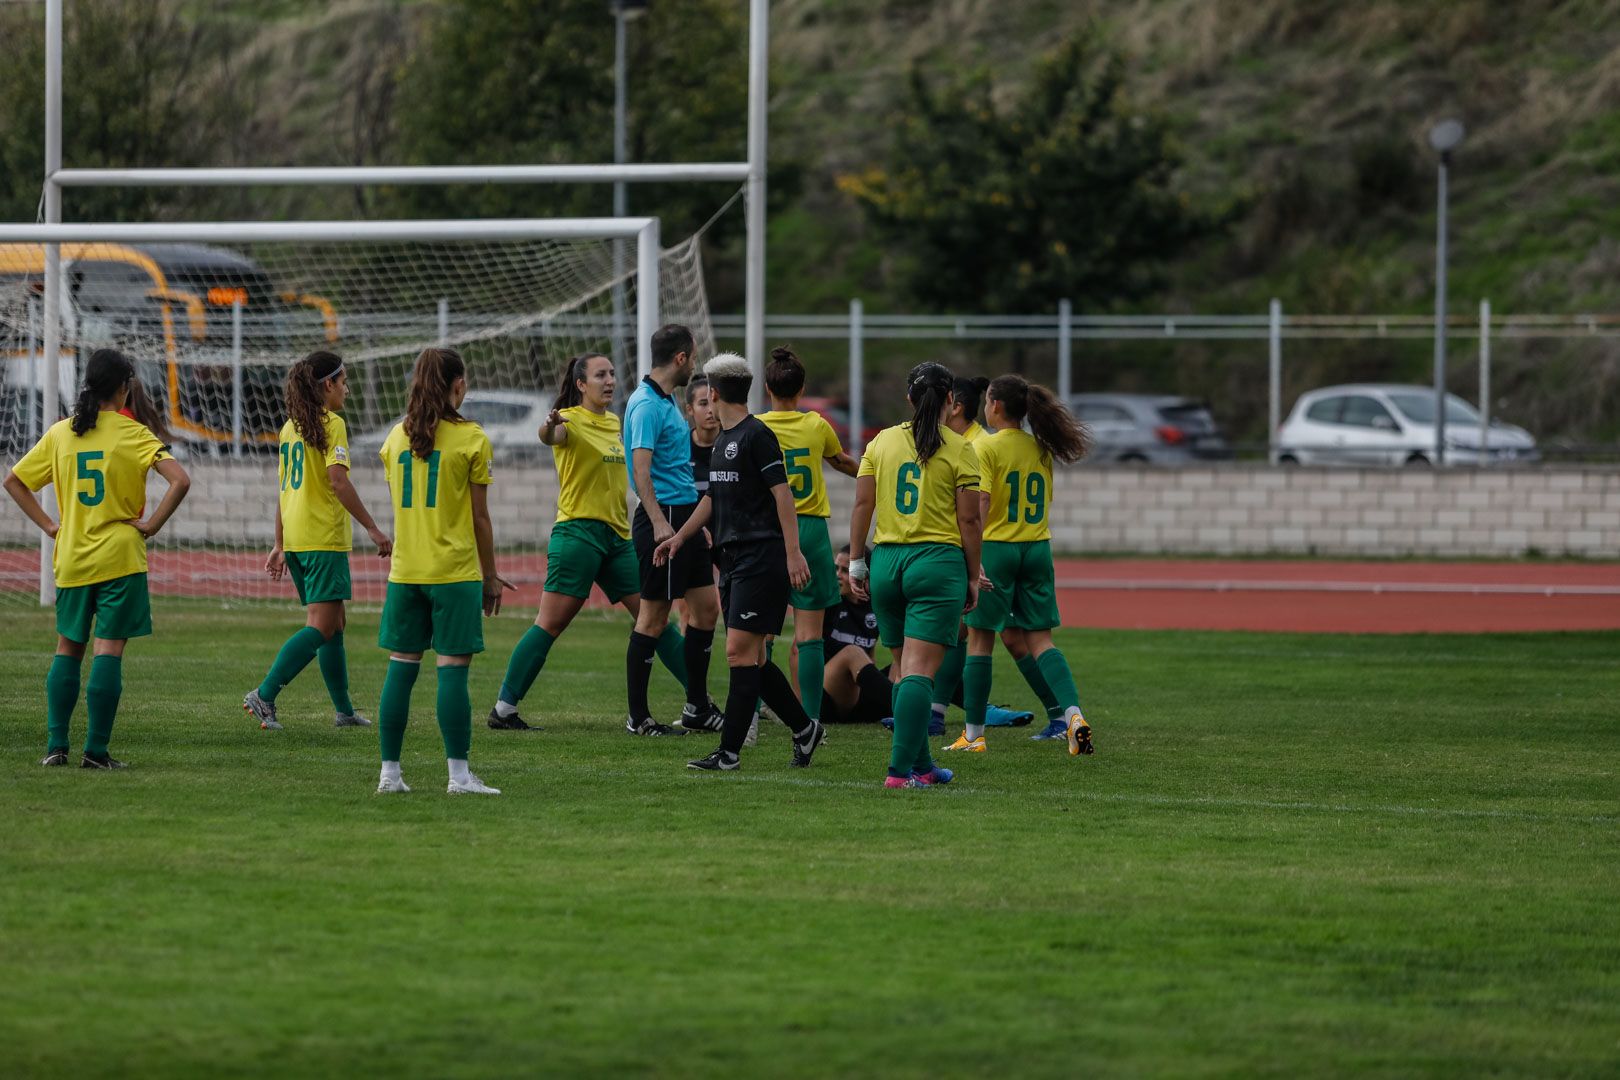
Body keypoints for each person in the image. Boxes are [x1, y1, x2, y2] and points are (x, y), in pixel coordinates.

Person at [3, 348, 191, 768]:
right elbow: (180, 480)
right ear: (124, 388)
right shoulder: (135, 434)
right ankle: (97, 752)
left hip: (72, 556)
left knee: (68, 648)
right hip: (120, 558)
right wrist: (153, 524)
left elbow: (14, 481)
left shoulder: (61, 434)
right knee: (108, 650)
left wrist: (51, 527)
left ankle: (55, 747)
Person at [486, 353, 687, 731]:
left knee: (655, 618)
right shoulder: (569, 419)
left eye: (612, 373)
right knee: (549, 624)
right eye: (600, 375)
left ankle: (700, 704)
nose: (609, 380)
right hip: (578, 535)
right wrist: (548, 426)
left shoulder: (615, 422)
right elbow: (551, 436)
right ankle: (504, 709)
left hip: (617, 538)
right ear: (581, 384)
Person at [654, 354, 826, 771]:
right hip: (731, 560)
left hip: (761, 557)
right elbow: (712, 499)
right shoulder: (722, 441)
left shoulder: (757, 435)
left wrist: (792, 552)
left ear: (713, 394)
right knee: (754, 659)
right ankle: (806, 730)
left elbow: (783, 495)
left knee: (736, 652)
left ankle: (728, 752)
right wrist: (680, 537)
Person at [374, 346, 510, 795]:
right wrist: (490, 576)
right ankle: (458, 776)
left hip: (405, 572)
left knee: (401, 668)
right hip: (453, 573)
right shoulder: (471, 438)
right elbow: (480, 519)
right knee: (452, 670)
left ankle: (389, 775)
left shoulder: (395, 437)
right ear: (457, 385)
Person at [849, 362, 982, 788]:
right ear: (950, 401)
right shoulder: (960, 447)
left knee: (904, 670)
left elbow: (862, 507)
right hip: (935, 563)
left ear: (909, 399)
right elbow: (969, 522)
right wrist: (974, 576)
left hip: (886, 563)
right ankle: (899, 772)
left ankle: (923, 767)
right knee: (921, 673)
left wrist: (855, 561)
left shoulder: (882, 441)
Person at [244, 351, 392, 731]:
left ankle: (344, 711)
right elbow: (337, 481)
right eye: (343, 382)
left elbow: (284, 489)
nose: (347, 388)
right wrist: (373, 528)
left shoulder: (290, 427)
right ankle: (264, 695)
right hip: (322, 539)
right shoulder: (332, 424)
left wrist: (279, 544)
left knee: (334, 623)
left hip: (296, 539)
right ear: (327, 385)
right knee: (322, 626)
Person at [951, 374, 1095, 754]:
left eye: (987, 403)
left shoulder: (987, 448)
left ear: (995, 406)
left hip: (998, 548)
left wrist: (973, 558)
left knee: (979, 641)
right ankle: (1073, 716)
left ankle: (973, 734)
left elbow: (980, 503)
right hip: (1037, 547)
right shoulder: (1041, 448)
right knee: (1041, 640)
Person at [623, 324, 723, 736]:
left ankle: (697, 707)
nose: (694, 364)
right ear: (680, 358)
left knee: (705, 609)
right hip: (662, 517)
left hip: (684, 517)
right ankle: (638, 717)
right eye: (693, 357)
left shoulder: (663, 402)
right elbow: (640, 472)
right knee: (653, 618)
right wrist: (663, 523)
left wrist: (691, 525)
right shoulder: (645, 404)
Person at [757, 346, 858, 724]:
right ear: (802, 390)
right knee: (810, 635)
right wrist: (874, 476)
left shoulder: (756, 426)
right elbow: (842, 462)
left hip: (767, 530)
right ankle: (812, 719)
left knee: (759, 629)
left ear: (768, 388)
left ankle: (751, 713)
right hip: (811, 530)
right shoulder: (816, 425)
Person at [674, 373, 720, 635]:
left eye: (714, 401)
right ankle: (689, 670)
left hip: (727, 535)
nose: (710, 410)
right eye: (703, 403)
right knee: (687, 609)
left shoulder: (731, 445)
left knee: (740, 605)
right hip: (691, 533)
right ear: (690, 410)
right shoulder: (679, 447)